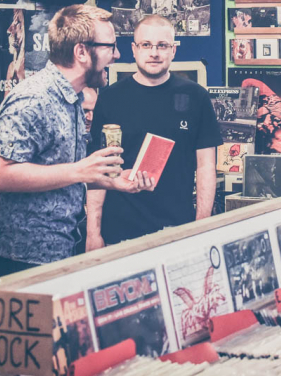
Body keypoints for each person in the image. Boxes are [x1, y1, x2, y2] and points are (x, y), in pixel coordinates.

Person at [0, 5, 153, 278]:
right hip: (23, 256)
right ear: (81, 51)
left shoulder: (73, 97)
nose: (117, 55)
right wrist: (79, 170)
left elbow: (58, 171)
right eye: (111, 46)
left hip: (59, 250)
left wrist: (108, 181)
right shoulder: (35, 98)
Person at [86, 15, 222, 250]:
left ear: (173, 50)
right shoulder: (109, 99)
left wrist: (201, 226)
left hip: (177, 230)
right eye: (146, 45)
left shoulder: (196, 97)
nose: (154, 53)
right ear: (134, 49)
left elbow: (206, 167)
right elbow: (99, 171)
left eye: (162, 45)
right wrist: (92, 233)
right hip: (119, 232)